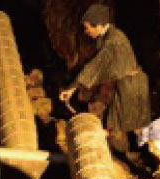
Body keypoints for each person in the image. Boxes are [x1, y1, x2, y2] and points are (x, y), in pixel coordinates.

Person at [59, 4, 150, 157]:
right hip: (125, 84)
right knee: (120, 124)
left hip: (131, 87)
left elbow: (95, 67)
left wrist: (72, 88)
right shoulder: (107, 37)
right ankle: (125, 157)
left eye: (88, 28)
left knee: (135, 127)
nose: (86, 32)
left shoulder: (113, 41)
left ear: (99, 25)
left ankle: (153, 162)